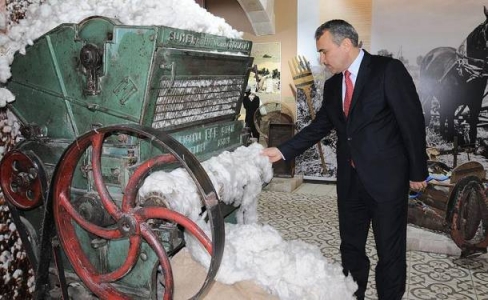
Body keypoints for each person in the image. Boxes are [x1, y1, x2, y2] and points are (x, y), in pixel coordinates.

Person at [262, 20, 428, 300]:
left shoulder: (387, 71)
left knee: (390, 252)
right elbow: (320, 126)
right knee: (351, 249)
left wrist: (417, 172)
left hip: (386, 182)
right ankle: (352, 295)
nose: (321, 59)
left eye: (324, 51)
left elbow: (411, 123)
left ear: (346, 45)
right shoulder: (333, 85)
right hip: (350, 184)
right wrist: (281, 151)